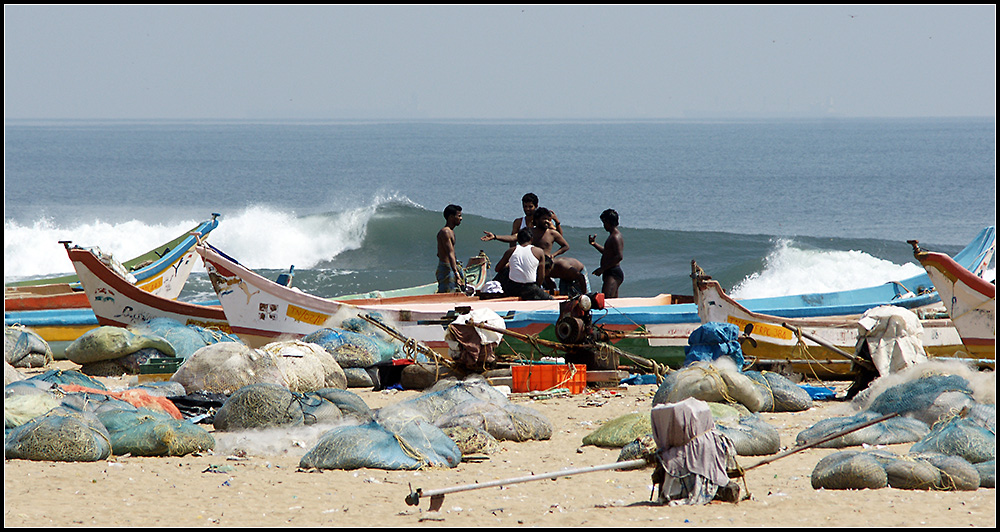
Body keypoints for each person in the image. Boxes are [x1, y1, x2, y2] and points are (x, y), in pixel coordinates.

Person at [494, 228, 552, 300]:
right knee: (550, 299)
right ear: (531, 239)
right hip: (531, 288)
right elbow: (541, 276)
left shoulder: (510, 251)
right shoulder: (539, 252)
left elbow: (497, 269)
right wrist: (538, 287)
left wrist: (509, 265)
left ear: (518, 240)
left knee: (505, 271)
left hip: (512, 288)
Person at [589, 208, 624, 298]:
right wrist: (594, 244)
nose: (604, 225)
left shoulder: (615, 237)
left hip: (613, 273)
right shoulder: (612, 236)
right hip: (609, 272)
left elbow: (619, 256)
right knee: (612, 301)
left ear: (608, 222)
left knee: (607, 300)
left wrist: (602, 269)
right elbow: (607, 253)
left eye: (604, 223)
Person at [436, 204, 465, 293]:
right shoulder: (446, 232)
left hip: (451, 268)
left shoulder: (450, 231)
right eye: (459, 216)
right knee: (447, 296)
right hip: (447, 269)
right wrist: (456, 274)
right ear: (451, 217)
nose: (461, 218)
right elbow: (450, 254)